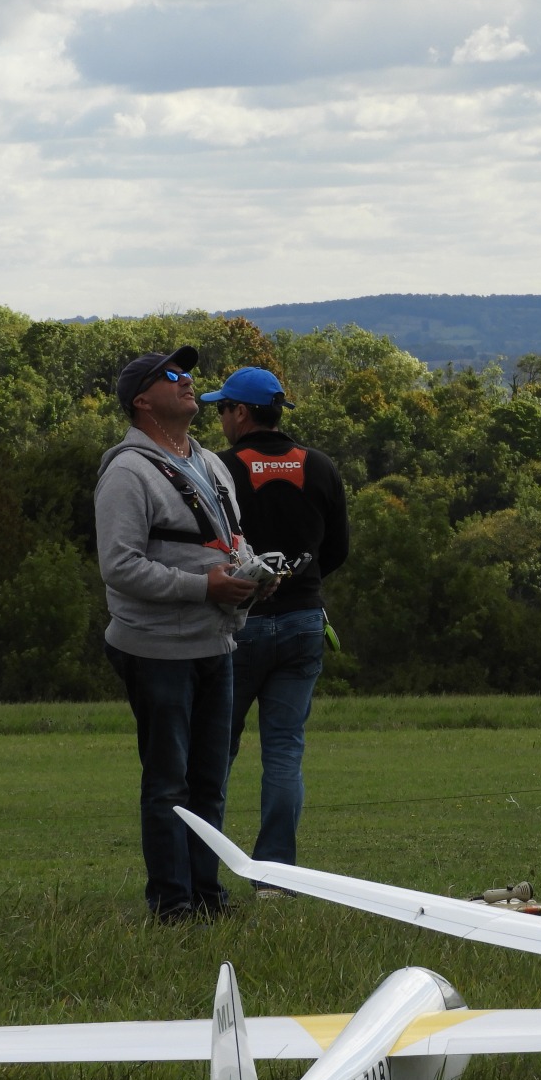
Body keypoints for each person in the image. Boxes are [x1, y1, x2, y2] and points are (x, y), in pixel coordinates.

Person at [95, 346, 268, 923]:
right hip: (157, 649)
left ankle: (208, 898)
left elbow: (232, 540)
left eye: (188, 372)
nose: (187, 380)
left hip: (216, 641)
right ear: (142, 400)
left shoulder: (211, 463)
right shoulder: (127, 472)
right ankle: (172, 905)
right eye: (173, 374)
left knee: (210, 782)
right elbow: (119, 566)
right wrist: (203, 587)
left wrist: (252, 576)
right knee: (169, 783)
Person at [200, 367, 349, 892]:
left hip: (239, 625)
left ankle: (200, 872)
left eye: (222, 408)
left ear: (241, 412)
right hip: (305, 621)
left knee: (216, 749)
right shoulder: (320, 465)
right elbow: (337, 550)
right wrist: (299, 583)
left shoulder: (218, 468)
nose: (220, 417)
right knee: (284, 750)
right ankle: (275, 879)